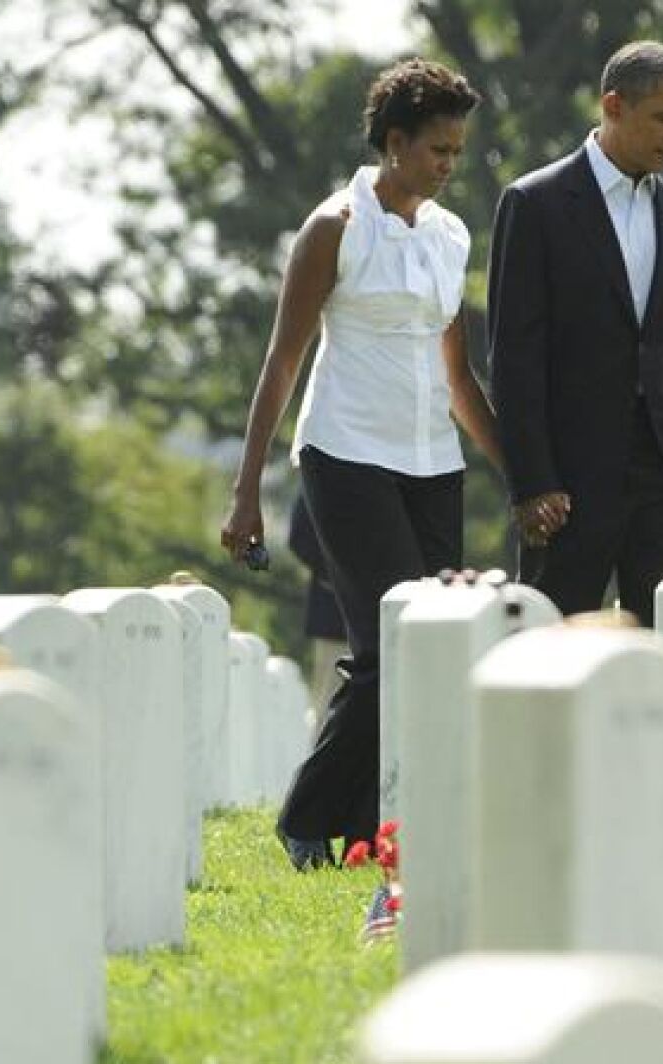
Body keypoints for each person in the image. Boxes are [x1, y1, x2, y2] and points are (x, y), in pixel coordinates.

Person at [219, 58, 500, 870]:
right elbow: (281, 360)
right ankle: (307, 816)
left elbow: (458, 376)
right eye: (437, 150)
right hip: (345, 454)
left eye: (457, 152)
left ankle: (365, 830)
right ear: (394, 141)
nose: (448, 166)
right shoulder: (335, 227)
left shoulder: (449, 236)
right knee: (391, 645)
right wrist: (248, 495)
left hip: (431, 463)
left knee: (431, 646)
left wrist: (520, 472)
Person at [487, 40, 663, 628]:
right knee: (551, 654)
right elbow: (514, 358)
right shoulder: (535, 203)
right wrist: (533, 481)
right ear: (614, 105)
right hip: (569, 486)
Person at [284, 493, 349, 733]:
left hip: (380, 612)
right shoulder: (325, 460)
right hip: (335, 617)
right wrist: (345, 576)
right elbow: (300, 536)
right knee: (330, 705)